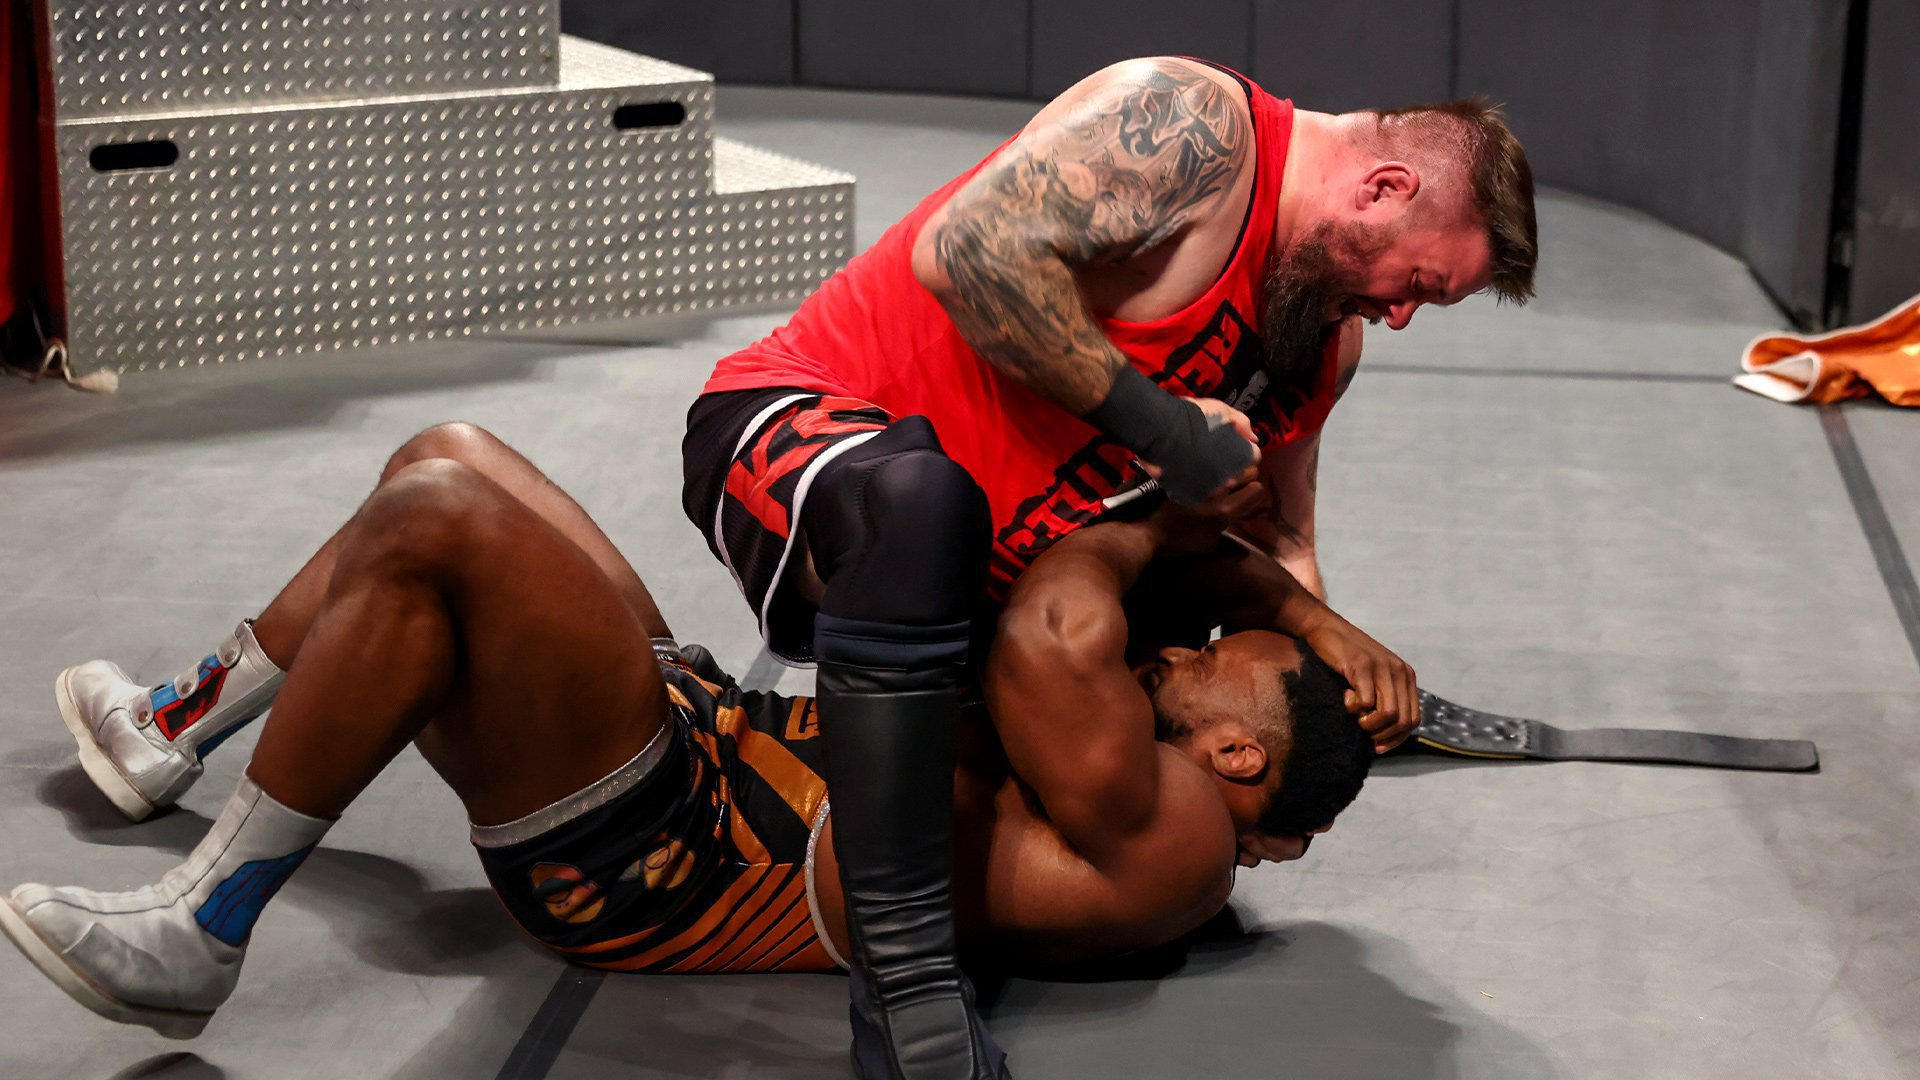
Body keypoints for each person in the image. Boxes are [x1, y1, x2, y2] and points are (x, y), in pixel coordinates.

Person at [682, 54, 1536, 1075]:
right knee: (928, 507)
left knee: (1164, 614)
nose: (1397, 316)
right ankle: (904, 985)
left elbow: (1277, 541)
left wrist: (1291, 772)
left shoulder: (1319, 339)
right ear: (1384, 189)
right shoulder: (1195, 126)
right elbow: (968, 251)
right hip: (811, 436)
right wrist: (1168, 432)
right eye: (1419, 285)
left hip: (989, 581)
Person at [1, 424, 1373, 1057]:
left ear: (1241, 761)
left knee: (436, 523)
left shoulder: (1184, 846)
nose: (1183, 654)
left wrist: (1154, 518)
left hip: (667, 852)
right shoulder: (1148, 764)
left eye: (1216, 667)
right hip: (703, 739)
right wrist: (1281, 601)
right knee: (450, 453)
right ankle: (170, 728)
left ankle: (205, 924)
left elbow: (1050, 634)